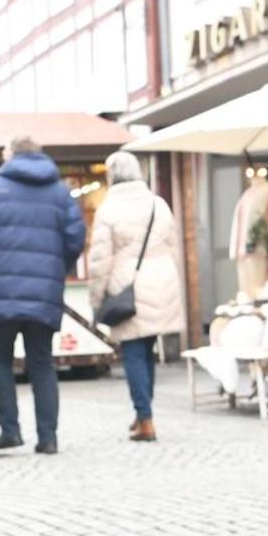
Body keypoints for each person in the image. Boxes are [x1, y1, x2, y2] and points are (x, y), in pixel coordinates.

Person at [0, 135, 85, 454]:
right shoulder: (60, 193)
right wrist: (57, 271)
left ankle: (10, 430)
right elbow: (76, 237)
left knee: (0, 361)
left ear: (11, 155)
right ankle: (48, 437)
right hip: (43, 292)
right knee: (42, 363)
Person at [87, 151, 184, 442]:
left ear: (112, 174)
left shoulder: (109, 209)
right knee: (147, 350)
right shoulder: (158, 204)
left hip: (126, 283)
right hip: (163, 279)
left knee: (132, 352)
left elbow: (100, 260)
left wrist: (96, 297)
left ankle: (145, 418)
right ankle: (144, 413)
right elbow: (174, 245)